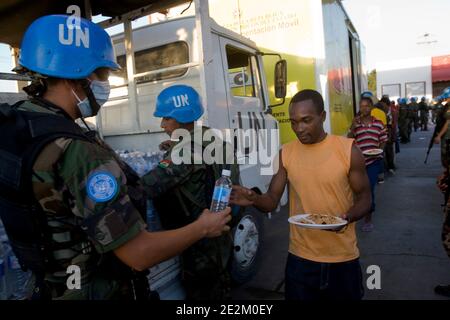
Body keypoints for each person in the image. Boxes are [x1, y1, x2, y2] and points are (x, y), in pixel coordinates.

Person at [0, 15, 231, 300]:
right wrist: (203, 227)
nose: (105, 85)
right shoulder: (78, 151)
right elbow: (139, 253)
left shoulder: (16, 126)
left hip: (50, 284)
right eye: (104, 74)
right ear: (80, 74)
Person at [231, 89, 371, 300]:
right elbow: (271, 201)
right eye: (294, 122)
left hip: (342, 257)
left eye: (306, 120)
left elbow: (365, 198)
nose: (299, 128)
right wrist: (253, 199)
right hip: (300, 259)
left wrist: (347, 217)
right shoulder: (286, 153)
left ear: (322, 117)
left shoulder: (348, 150)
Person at [141, 84, 239, 300]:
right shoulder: (210, 138)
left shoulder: (185, 151)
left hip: (200, 240)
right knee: (221, 283)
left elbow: (147, 186)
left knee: (202, 292)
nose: (162, 124)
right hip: (220, 228)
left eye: (167, 118)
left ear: (182, 116)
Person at [349, 96, 388, 232]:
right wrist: (352, 128)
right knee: (357, 189)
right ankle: (359, 210)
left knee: (369, 188)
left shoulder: (378, 123)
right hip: (358, 163)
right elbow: (349, 140)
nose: (364, 108)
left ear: (371, 108)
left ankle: (368, 217)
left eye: (366, 106)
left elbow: (383, 139)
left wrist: (380, 151)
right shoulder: (356, 123)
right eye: (361, 106)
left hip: (373, 162)